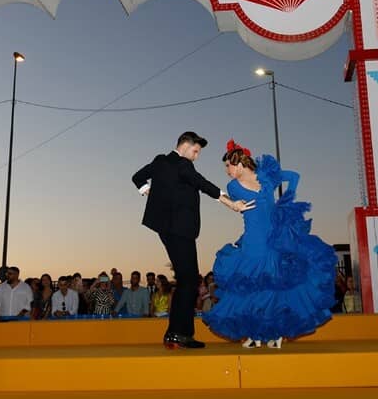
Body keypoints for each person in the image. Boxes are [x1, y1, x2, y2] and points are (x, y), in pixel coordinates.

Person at [204, 140, 337, 349]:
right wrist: (233, 205)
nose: (226, 171)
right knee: (252, 287)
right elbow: (233, 203)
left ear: (237, 162)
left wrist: (286, 201)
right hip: (253, 241)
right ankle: (256, 332)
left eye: (227, 166)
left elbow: (294, 176)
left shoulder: (266, 178)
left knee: (274, 288)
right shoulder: (233, 187)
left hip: (274, 240)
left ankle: (274, 333)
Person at [132, 131, 253, 350]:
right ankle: (179, 333)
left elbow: (137, 177)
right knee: (189, 281)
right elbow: (201, 183)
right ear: (185, 145)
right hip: (181, 230)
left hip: (165, 228)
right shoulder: (183, 164)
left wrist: (148, 192)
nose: (196, 156)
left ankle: (176, 333)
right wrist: (230, 203)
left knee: (187, 279)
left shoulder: (160, 161)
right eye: (196, 151)